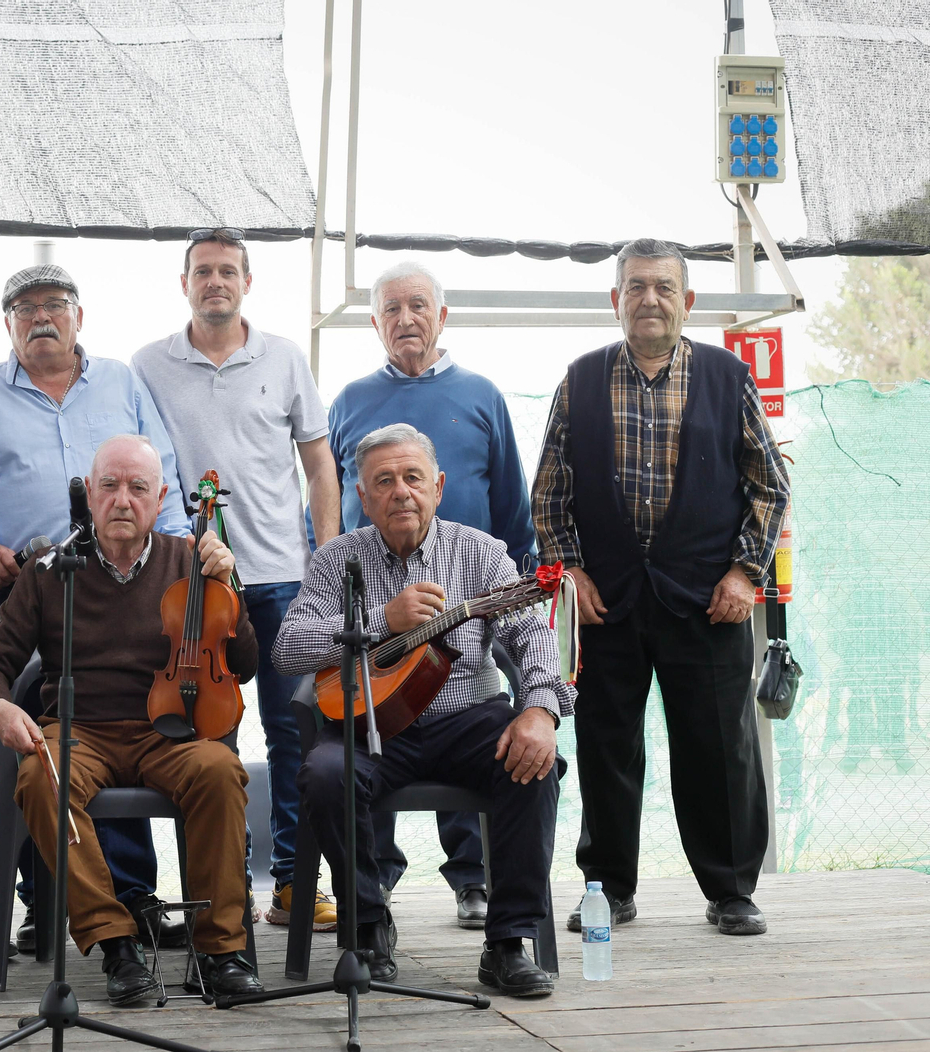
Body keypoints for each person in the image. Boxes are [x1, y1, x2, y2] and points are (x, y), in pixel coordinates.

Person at [532, 237, 790, 937]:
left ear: (688, 302)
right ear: (616, 301)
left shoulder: (728, 378)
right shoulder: (579, 380)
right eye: (637, 287)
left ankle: (732, 890)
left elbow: (771, 483)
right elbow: (550, 493)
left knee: (719, 749)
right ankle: (608, 888)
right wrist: (570, 569)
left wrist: (746, 574)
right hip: (607, 602)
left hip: (710, 602)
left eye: (664, 288)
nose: (650, 299)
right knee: (609, 749)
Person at [0, 263, 188, 951]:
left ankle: (131, 898)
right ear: (7, 322)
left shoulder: (122, 383)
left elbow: (165, 469)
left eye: (54, 303)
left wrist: (182, 561)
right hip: (21, 595)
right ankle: (45, 902)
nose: (40, 316)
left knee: (121, 730)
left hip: (122, 592)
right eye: (23, 307)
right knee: (32, 750)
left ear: (80, 315)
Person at [0, 434, 265, 1005]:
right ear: (89, 494)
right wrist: (0, 707)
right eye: (110, 486)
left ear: (160, 498)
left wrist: (231, 585)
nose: (123, 499)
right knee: (39, 775)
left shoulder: (192, 559)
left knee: (220, 771)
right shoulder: (52, 570)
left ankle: (219, 952)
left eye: (138, 488)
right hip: (80, 730)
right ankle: (116, 946)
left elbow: (245, 665)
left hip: (170, 731)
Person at [276, 424, 572, 996]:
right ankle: (368, 926)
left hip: (466, 720)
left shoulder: (482, 552)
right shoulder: (338, 557)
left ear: (437, 486)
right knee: (324, 772)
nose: (401, 492)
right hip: (368, 726)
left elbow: (532, 635)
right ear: (363, 496)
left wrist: (540, 709)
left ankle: (508, 943)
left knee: (534, 761)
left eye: (413, 478)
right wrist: (380, 623)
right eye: (383, 481)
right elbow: (288, 647)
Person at [130, 226, 341, 933]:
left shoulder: (282, 358)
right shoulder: (146, 364)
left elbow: (318, 465)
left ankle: (291, 883)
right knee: (203, 738)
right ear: (183, 283)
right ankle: (220, 890)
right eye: (202, 271)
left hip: (281, 576)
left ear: (246, 282)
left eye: (227, 270)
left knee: (292, 732)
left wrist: (327, 554)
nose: (214, 281)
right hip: (190, 586)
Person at [320, 262, 537, 928]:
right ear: (375, 322)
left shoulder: (482, 395)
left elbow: (511, 503)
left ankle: (473, 880)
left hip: (475, 592)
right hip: (375, 603)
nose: (405, 319)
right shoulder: (349, 401)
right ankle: (374, 883)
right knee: (372, 719)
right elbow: (327, 499)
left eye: (418, 305)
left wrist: (513, 585)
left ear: (442, 316)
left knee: (472, 711)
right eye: (391, 309)